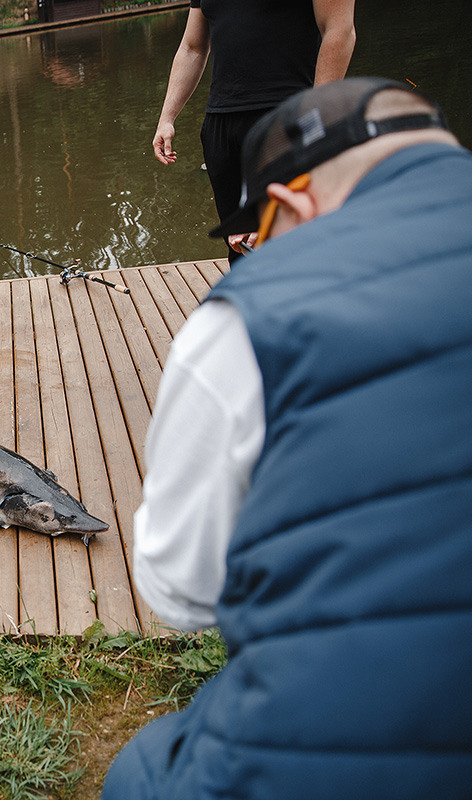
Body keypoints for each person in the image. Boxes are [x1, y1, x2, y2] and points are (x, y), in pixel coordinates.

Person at [104, 77, 472, 798]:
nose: (255, 252)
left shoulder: (248, 320)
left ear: (294, 205)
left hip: (355, 757)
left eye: (258, 235)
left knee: (138, 777)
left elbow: (180, 595)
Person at [152, 0, 356, 262]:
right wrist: (167, 118)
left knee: (293, 243)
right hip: (221, 125)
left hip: (284, 117)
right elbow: (193, 47)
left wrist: (313, 116)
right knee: (240, 248)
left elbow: (339, 30)